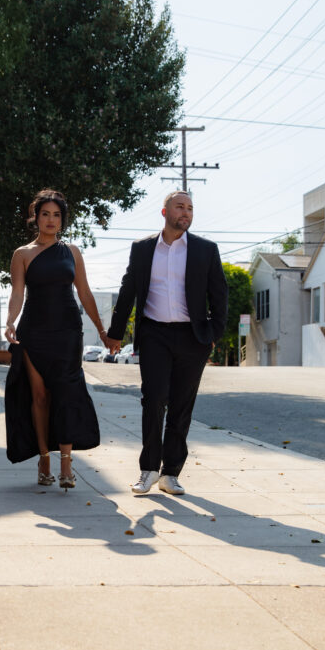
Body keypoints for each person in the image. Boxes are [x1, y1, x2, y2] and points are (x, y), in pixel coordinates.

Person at [107, 190, 228, 496]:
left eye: (190, 208)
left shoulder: (205, 250)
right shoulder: (143, 248)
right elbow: (128, 289)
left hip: (192, 337)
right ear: (165, 212)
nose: (185, 213)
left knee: (181, 406)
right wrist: (116, 332)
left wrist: (212, 334)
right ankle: (148, 470)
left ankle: (170, 473)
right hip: (154, 335)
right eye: (179, 207)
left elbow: (220, 295)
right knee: (153, 400)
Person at [4, 189, 105, 490]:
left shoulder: (72, 252)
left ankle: (66, 465)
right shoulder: (22, 254)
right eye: (45, 213)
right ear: (35, 217)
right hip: (34, 331)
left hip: (68, 331)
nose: (50, 220)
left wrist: (100, 329)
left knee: (66, 395)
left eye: (56, 215)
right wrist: (10, 322)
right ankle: (44, 459)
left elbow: (84, 293)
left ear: (62, 220)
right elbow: (17, 294)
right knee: (39, 396)